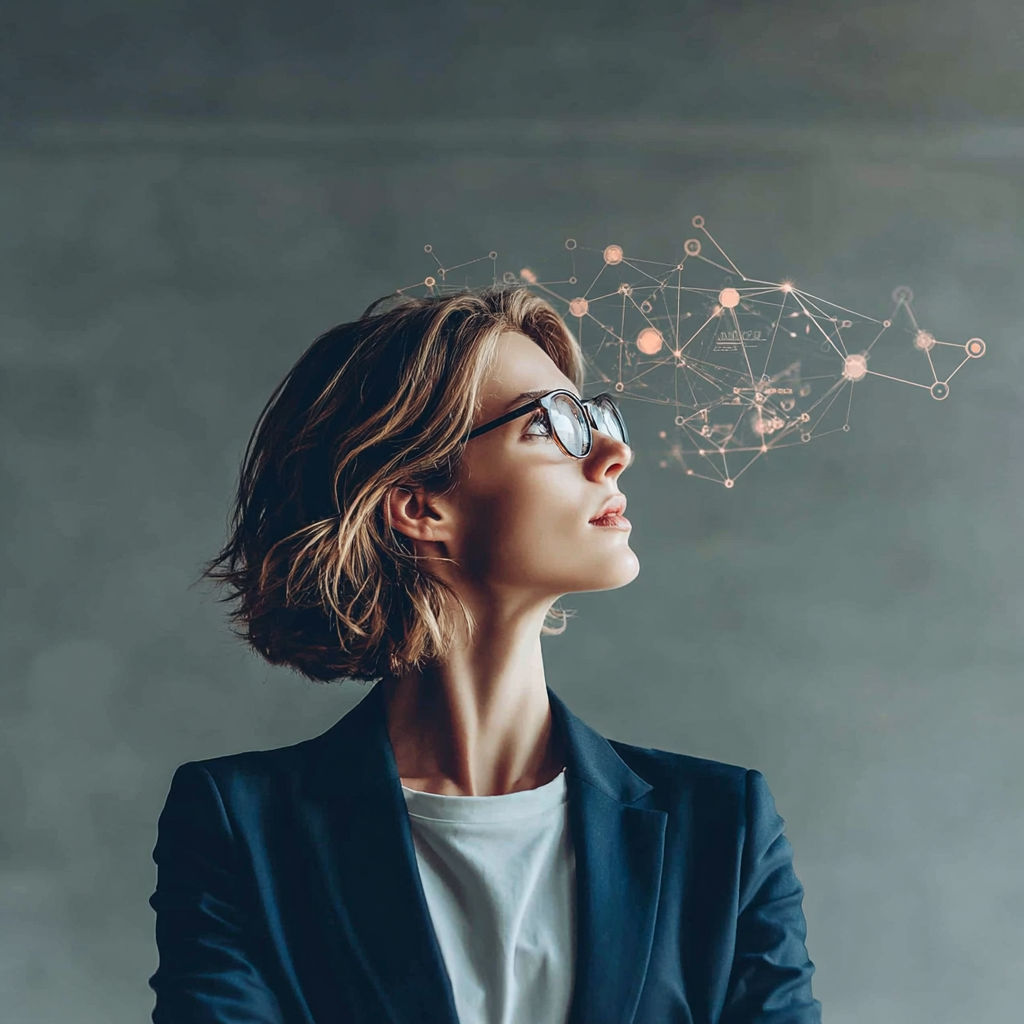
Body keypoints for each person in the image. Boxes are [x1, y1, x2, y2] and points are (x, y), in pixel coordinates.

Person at [148, 285, 822, 1024]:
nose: (614, 453)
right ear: (420, 505)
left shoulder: (723, 827)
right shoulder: (243, 827)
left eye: (592, 416)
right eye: (550, 424)